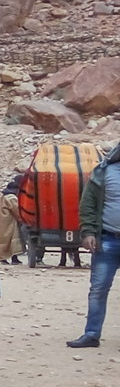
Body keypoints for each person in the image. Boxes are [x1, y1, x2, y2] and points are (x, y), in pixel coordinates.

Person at [66, 142, 120, 348]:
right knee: (98, 289)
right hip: (107, 240)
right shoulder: (103, 173)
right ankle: (91, 334)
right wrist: (88, 232)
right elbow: (88, 204)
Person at [0, 174, 26, 265]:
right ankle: (14, 259)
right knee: (13, 241)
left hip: (0, 223)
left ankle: (3, 259)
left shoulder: (0, 198)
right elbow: (17, 211)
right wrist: (23, 220)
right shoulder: (12, 198)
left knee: (2, 241)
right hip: (9, 223)